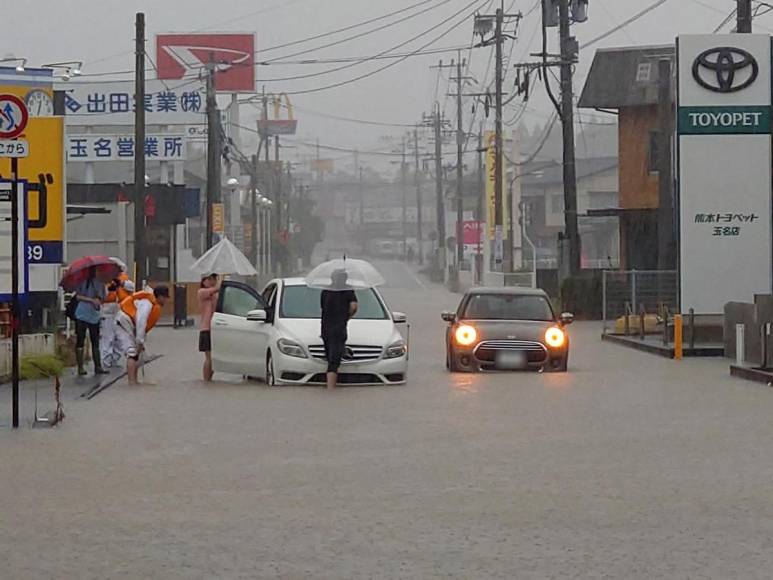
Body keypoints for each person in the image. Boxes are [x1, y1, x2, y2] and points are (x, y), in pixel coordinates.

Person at [115, 286, 170, 385]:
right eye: (165, 298)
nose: (166, 301)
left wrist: (141, 341)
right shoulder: (147, 303)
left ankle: (135, 381)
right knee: (132, 352)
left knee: (137, 353)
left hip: (130, 326)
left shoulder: (152, 303)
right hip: (123, 324)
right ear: (160, 297)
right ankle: (132, 383)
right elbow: (141, 321)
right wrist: (140, 341)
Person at [320, 269, 358, 389]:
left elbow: (323, 308)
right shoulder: (348, 290)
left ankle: (329, 386)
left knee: (329, 356)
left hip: (325, 328)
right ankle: (331, 389)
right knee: (334, 362)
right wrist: (347, 316)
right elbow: (353, 306)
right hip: (339, 329)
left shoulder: (325, 291)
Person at [74, 267, 111, 376]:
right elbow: (78, 296)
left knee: (93, 340)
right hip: (84, 314)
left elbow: (103, 297)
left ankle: (96, 366)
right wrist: (91, 300)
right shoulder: (83, 282)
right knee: (83, 339)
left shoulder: (99, 283)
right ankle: (83, 367)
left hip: (92, 314)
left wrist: (97, 300)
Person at [100, 272, 135, 369]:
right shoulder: (103, 279)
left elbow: (132, 287)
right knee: (108, 337)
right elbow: (101, 294)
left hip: (120, 310)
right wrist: (110, 288)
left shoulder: (123, 278)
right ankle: (106, 361)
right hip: (108, 310)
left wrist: (121, 283)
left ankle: (115, 359)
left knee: (119, 338)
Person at [197, 273, 222, 381]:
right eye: (210, 279)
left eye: (214, 279)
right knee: (209, 358)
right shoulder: (202, 292)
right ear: (204, 281)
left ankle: (209, 380)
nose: (212, 281)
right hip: (206, 329)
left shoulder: (215, 294)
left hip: (215, 328)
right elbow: (217, 288)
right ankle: (206, 380)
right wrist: (221, 278)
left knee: (214, 358)